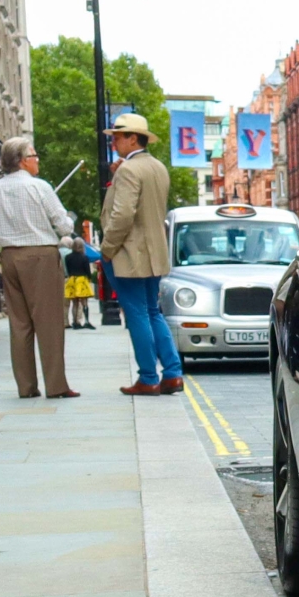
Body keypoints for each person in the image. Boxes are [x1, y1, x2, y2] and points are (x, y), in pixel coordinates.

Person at [0, 136, 78, 398]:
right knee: (49, 322)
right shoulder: (40, 187)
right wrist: (63, 223)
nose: (37, 161)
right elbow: (64, 226)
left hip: (10, 256)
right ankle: (56, 385)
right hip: (40, 255)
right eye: (34, 156)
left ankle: (26, 386)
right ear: (24, 161)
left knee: (20, 323)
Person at [97, 112, 183, 396]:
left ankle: (148, 377)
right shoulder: (157, 167)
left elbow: (122, 215)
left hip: (129, 255)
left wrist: (107, 249)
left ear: (133, 138)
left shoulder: (128, 170)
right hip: (153, 252)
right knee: (152, 312)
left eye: (119, 137)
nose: (115, 143)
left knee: (136, 315)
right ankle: (172, 373)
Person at [64, 233, 96, 329]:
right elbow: (87, 271)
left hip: (72, 279)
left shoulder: (68, 257)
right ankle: (86, 321)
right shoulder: (84, 257)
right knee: (84, 302)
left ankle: (75, 322)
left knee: (75, 303)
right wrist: (89, 279)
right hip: (82, 280)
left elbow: (68, 270)